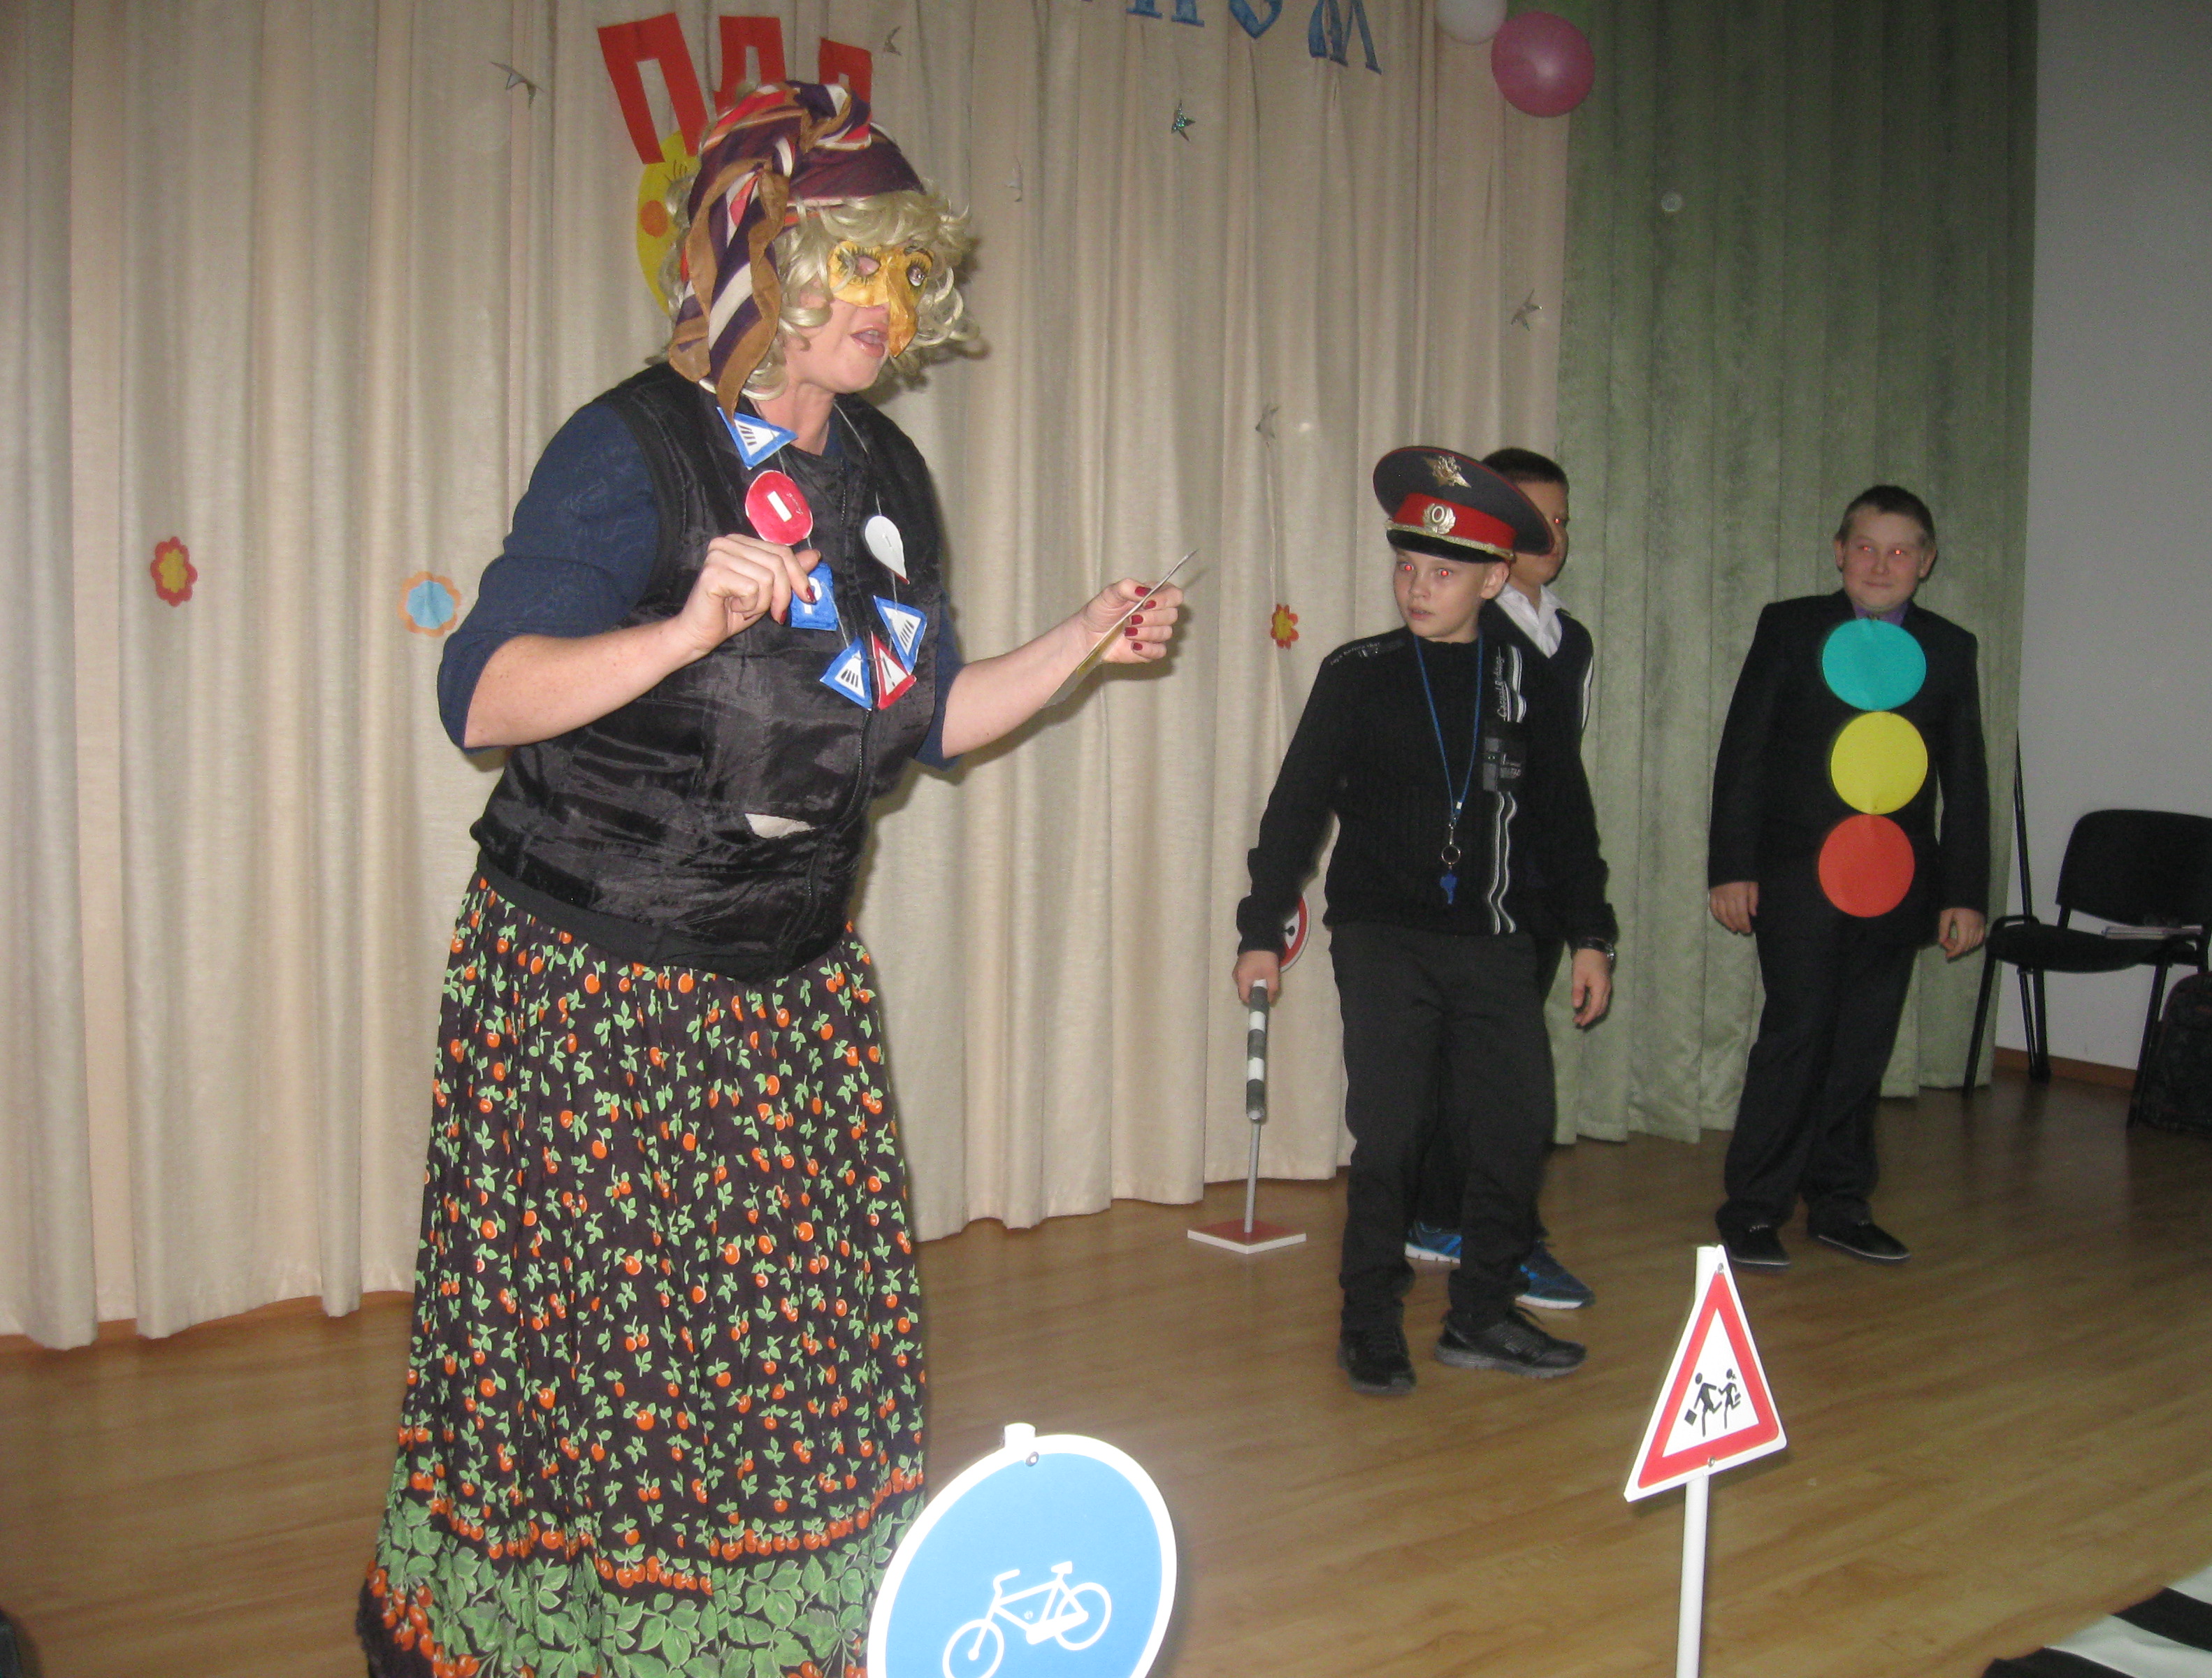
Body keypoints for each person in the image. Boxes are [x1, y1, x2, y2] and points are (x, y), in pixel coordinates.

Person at [358, 82, 1182, 1678]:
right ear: (757, 263)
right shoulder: (631, 448)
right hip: (595, 995)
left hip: (791, 993)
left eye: (904, 270)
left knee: (808, 1360)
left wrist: (1080, 641)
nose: (886, 303)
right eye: (850, 264)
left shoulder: (886, 475)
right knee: (613, 1373)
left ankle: (784, 1635)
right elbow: (483, 696)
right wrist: (682, 630)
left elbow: (923, 716)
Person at [1234, 447, 1617, 1398]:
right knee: (1393, 1133)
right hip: (1384, 941)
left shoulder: (1528, 679)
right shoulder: (1357, 673)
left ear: (1494, 578)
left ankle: (1482, 1314)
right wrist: (1260, 928)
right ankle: (1368, 1320)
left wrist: (1592, 934)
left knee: (1515, 1127)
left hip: (1495, 941)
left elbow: (1565, 819)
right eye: (1407, 567)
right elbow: (1295, 811)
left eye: (1443, 574)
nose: (1417, 588)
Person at [1706, 484, 1987, 1271]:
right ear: (1838, 552)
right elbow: (1744, 754)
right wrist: (1732, 868)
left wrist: (1964, 892)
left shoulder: (1950, 648)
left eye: (1901, 551)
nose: (1881, 564)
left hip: (1896, 881)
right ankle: (1753, 1208)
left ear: (1926, 563)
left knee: (1863, 1047)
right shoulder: (1791, 628)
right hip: (1797, 878)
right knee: (1796, 1036)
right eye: (1865, 546)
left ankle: (1839, 1204)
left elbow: (1966, 778)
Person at [1404, 447, 1600, 1312]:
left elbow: (1562, 773)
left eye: (1560, 520)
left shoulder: (1569, 637)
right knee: (1486, 1070)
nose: (1549, 536)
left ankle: (1455, 1217)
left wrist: (1584, 904)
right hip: (1479, 877)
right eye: (1531, 519)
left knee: (1499, 1061)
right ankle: (1470, 1225)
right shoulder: (1469, 630)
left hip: (1545, 871)